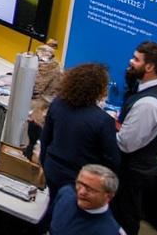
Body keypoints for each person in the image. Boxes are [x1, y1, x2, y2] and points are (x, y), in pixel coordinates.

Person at [113, 41, 157, 235]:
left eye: (136, 59)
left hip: (131, 176)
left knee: (123, 221)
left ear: (150, 67)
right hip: (135, 172)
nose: (130, 62)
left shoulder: (149, 104)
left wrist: (103, 128)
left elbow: (125, 144)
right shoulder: (155, 93)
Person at [40, 63, 120, 195]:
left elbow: (45, 139)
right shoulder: (103, 121)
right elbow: (112, 160)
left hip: (52, 169)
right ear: (99, 89)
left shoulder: (58, 104)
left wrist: (46, 164)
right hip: (81, 181)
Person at [48, 165, 125, 235]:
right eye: (79, 184)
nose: (81, 192)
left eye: (90, 189)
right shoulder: (65, 195)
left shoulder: (111, 231)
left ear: (108, 197)